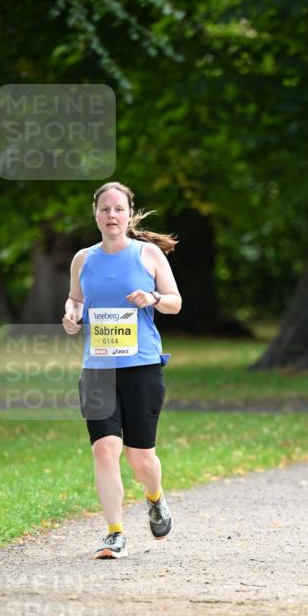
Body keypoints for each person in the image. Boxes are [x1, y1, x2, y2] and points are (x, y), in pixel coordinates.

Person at [62, 181, 182, 559]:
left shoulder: (147, 255)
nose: (111, 215)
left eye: (118, 209)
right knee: (105, 449)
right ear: (95, 214)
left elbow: (175, 303)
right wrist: (71, 314)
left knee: (139, 456)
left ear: (129, 214)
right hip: (97, 368)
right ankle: (115, 532)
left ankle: (155, 497)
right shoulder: (83, 259)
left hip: (142, 366)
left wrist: (154, 298)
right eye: (104, 209)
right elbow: (75, 300)